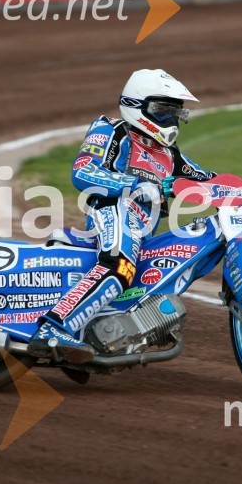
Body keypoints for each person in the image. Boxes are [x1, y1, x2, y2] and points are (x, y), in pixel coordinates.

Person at [27, 69, 219, 364]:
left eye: (174, 113)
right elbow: (83, 171)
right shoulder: (112, 130)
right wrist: (133, 185)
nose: (170, 119)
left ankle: (102, 332)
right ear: (136, 106)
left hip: (141, 233)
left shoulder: (170, 155)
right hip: (113, 210)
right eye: (162, 111)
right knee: (119, 266)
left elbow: (208, 181)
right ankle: (53, 328)